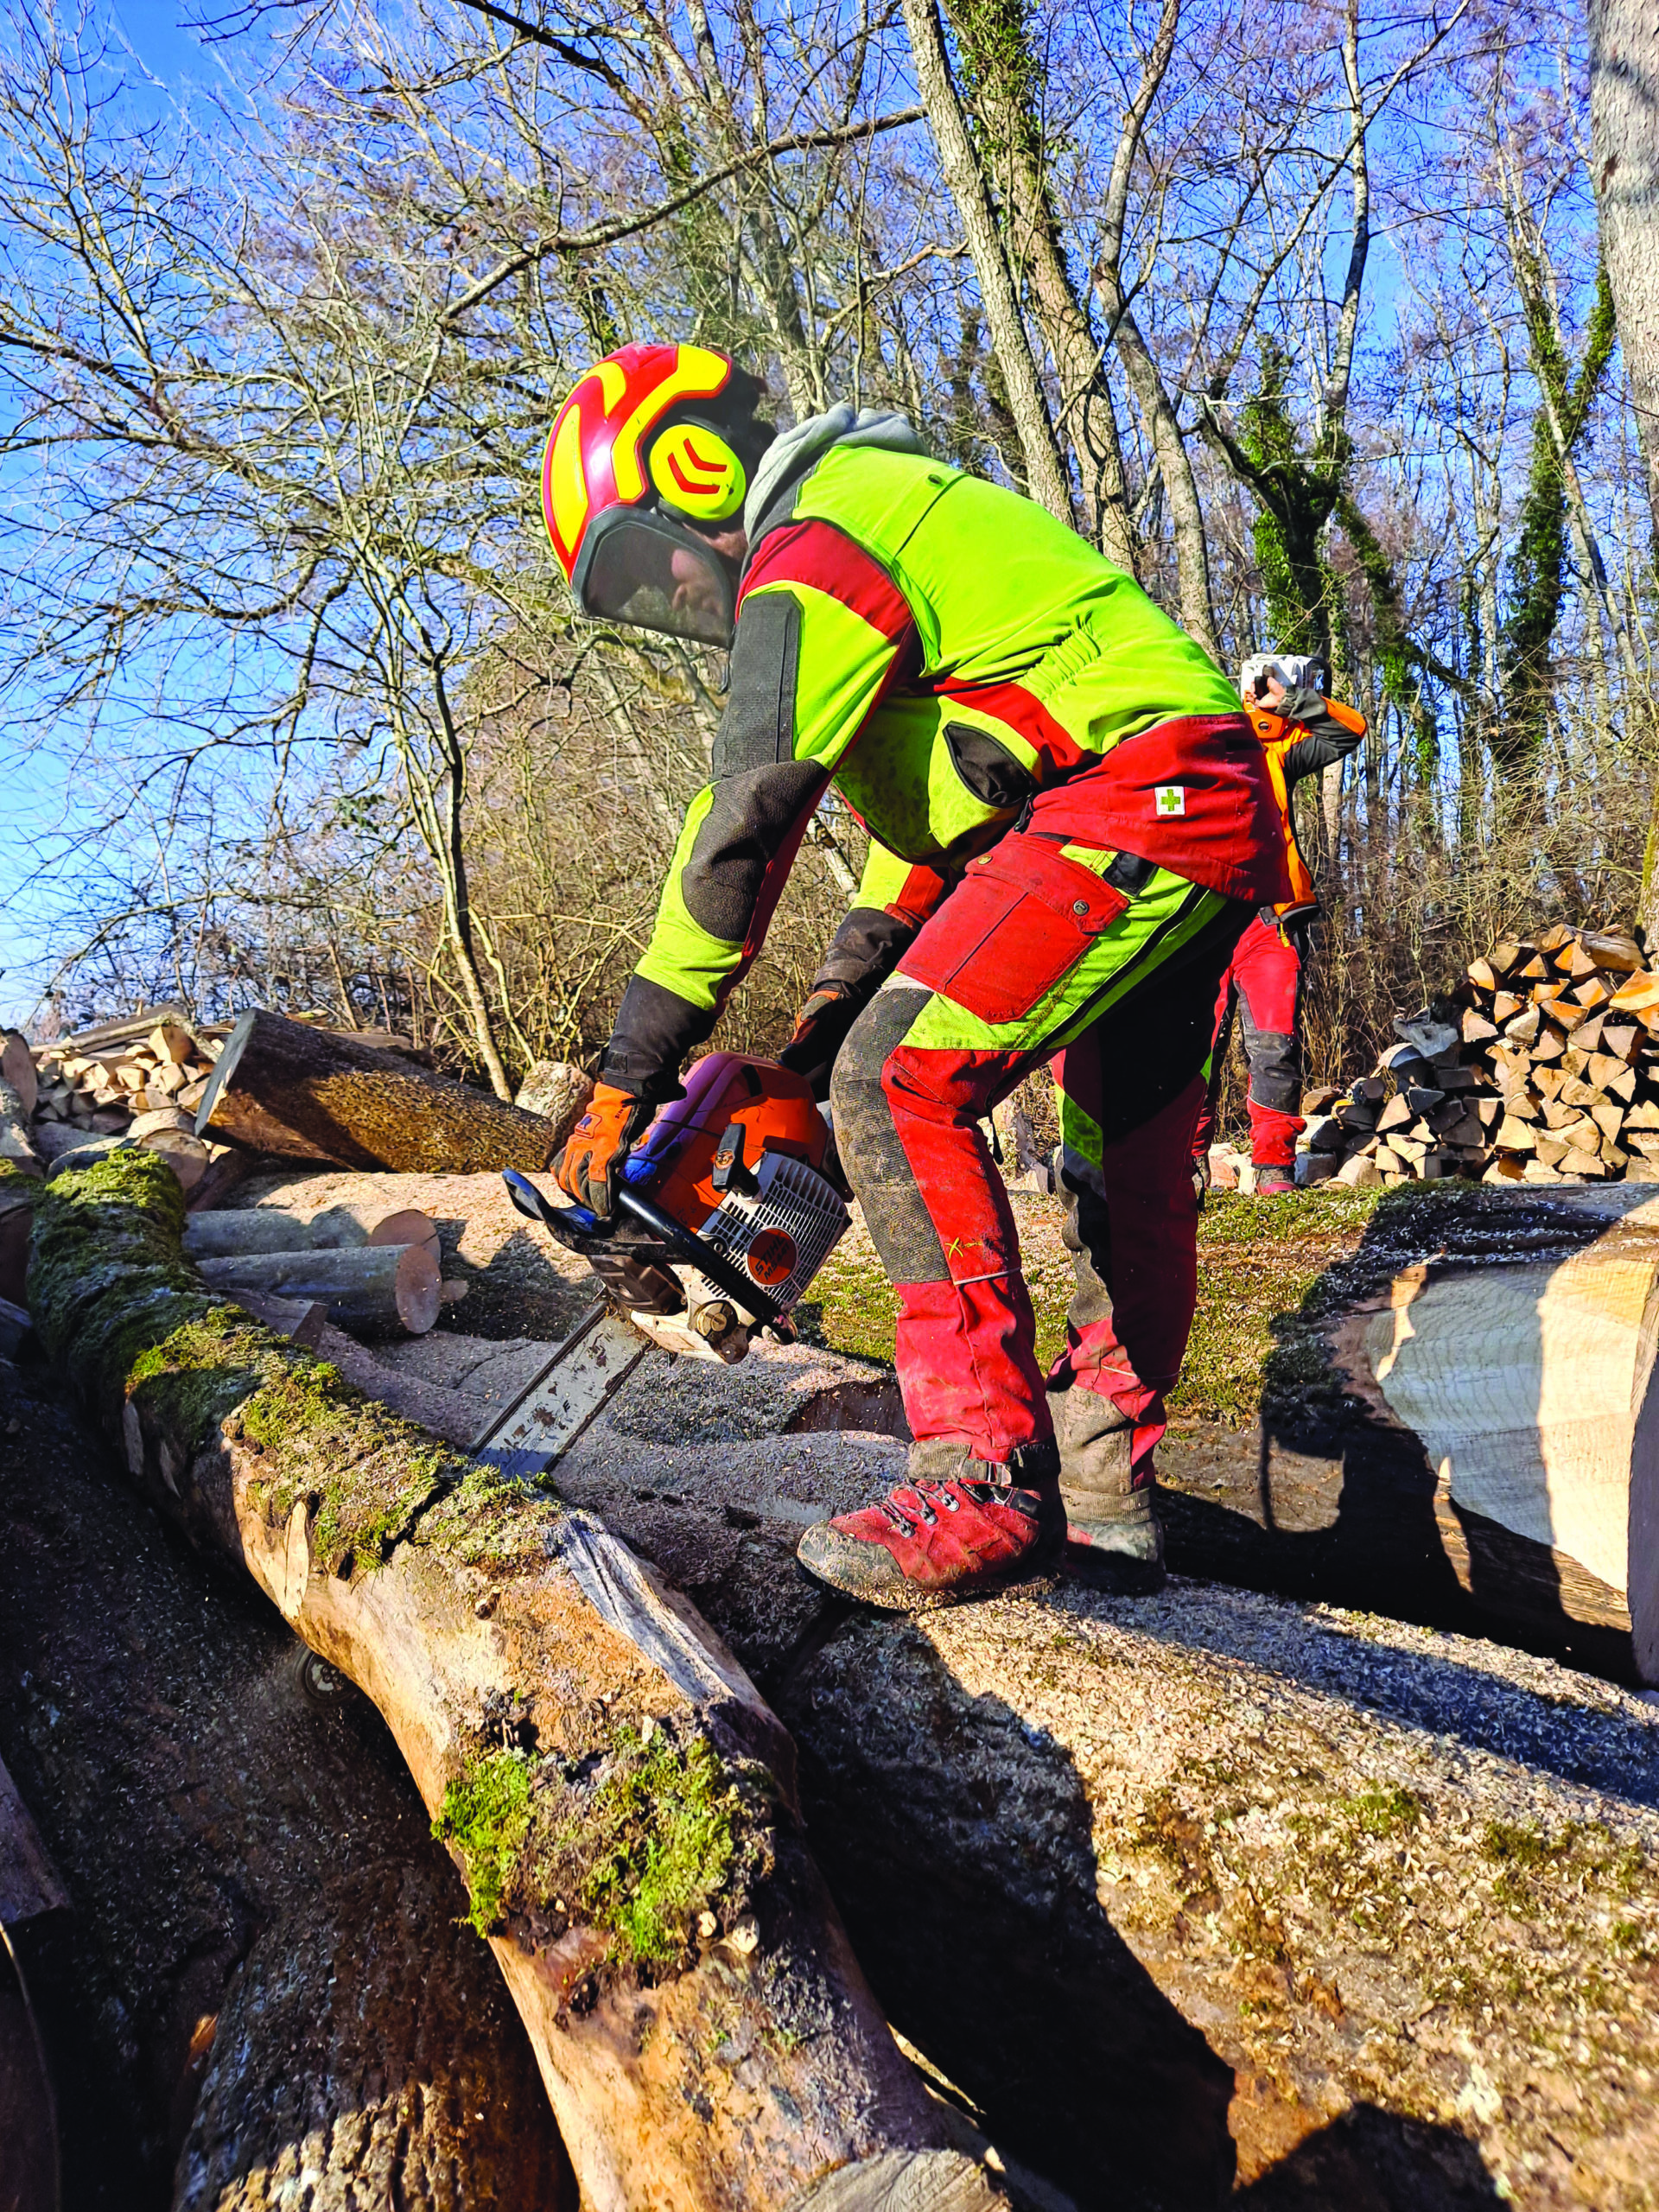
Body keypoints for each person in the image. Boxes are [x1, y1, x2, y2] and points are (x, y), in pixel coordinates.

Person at [543, 342, 1290, 1608]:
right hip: (1186, 803)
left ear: (696, 463)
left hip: (1132, 797)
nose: (666, 587)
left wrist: (632, 1069)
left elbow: (745, 822)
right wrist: (810, 1038)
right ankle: (1106, 1491)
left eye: (646, 553)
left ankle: (982, 1476)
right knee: (1123, 1178)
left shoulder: (818, 537)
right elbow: (924, 860)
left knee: (898, 1085)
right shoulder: (899, 536)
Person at [1191, 658, 1367, 1196]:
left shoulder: (1276, 747)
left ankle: (1273, 1168)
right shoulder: (1184, 743)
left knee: (1274, 1045)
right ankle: (1187, 1164)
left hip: (1270, 920)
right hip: (1196, 923)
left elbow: (1347, 730)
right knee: (1193, 1049)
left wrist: (1285, 702)